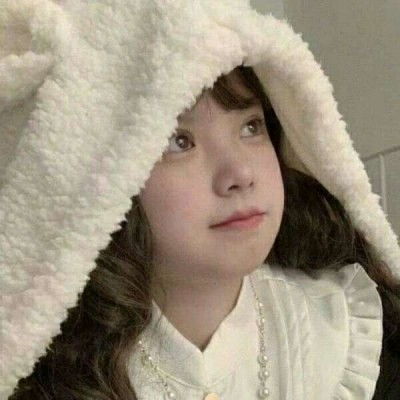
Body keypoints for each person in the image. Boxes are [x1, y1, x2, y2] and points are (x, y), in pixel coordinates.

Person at [1, 0, 399, 399]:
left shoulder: (347, 334)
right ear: (102, 177)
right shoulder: (51, 380)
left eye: (251, 127)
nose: (239, 174)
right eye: (179, 141)